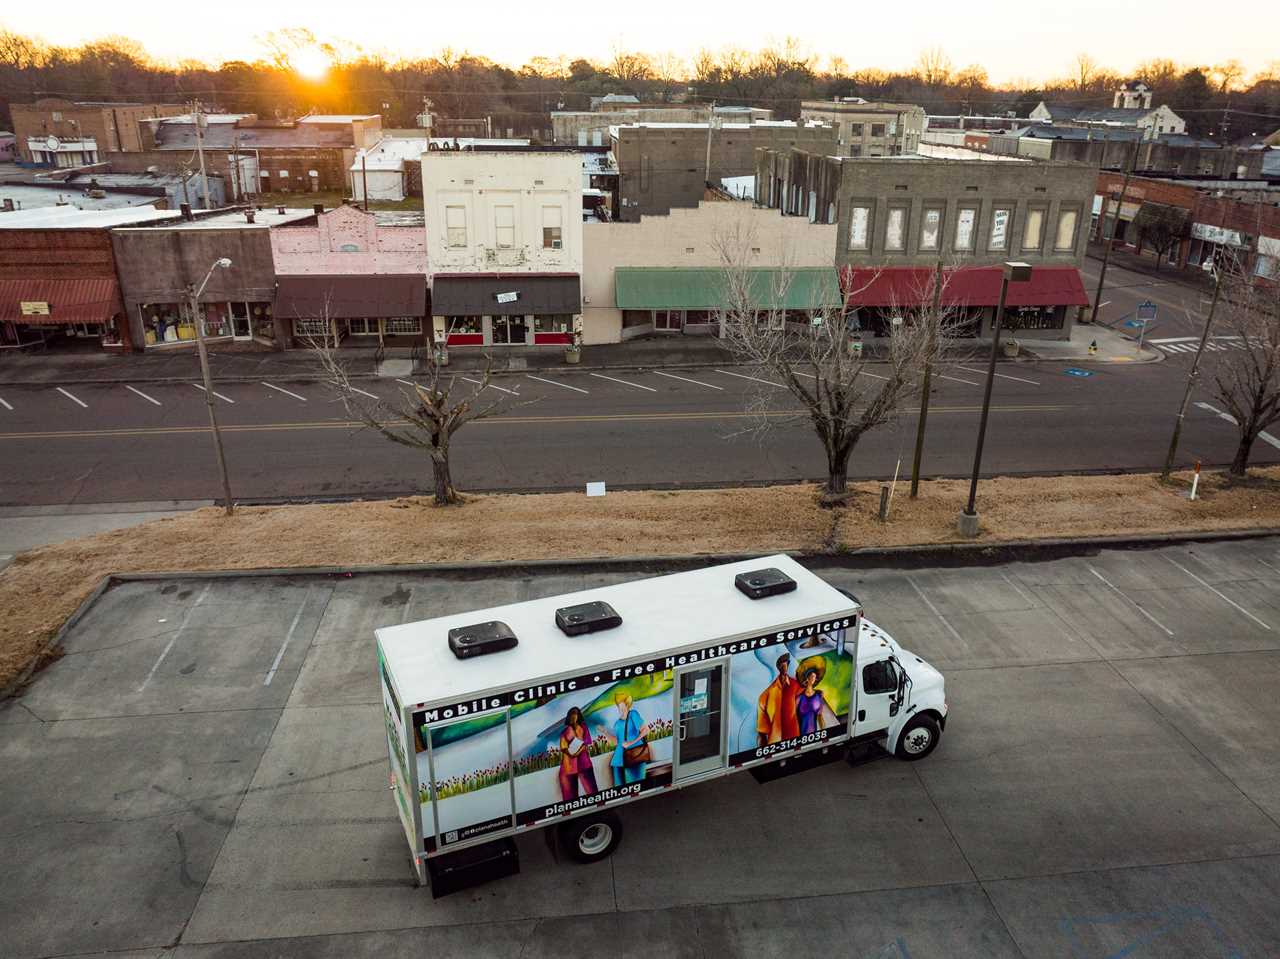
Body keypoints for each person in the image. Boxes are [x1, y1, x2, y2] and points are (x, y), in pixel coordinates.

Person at [757, 653, 800, 747]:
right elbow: (761, 733)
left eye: (786, 664)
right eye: (782, 665)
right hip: (775, 745)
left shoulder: (797, 686)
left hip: (796, 743)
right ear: (778, 667)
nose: (784, 667)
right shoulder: (765, 695)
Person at [558, 706, 598, 801]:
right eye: (571, 715)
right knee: (569, 801)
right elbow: (563, 748)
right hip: (568, 768)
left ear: (578, 716)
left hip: (584, 764)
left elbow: (587, 742)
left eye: (575, 715)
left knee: (594, 795)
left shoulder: (583, 727)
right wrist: (570, 753)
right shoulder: (564, 732)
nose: (573, 718)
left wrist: (577, 752)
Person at [610, 692, 650, 787]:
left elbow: (646, 730)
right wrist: (605, 732)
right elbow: (616, 742)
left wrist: (631, 742)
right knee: (618, 791)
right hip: (617, 761)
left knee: (635, 787)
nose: (619, 705)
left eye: (621, 702)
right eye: (618, 702)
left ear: (627, 703)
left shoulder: (633, 714)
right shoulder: (617, 723)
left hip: (634, 756)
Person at [795, 666, 831, 736]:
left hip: (814, 736)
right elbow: (795, 720)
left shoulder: (819, 695)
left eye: (814, 677)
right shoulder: (799, 698)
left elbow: (820, 717)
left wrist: (824, 735)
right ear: (807, 678)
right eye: (811, 676)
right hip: (801, 737)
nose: (813, 679)